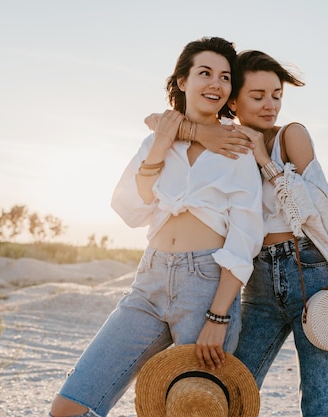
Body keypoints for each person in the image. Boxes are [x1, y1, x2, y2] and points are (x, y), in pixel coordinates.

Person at [151, 50, 328, 416]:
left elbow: (310, 206)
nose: (270, 105)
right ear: (233, 101)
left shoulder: (290, 136)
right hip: (259, 279)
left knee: (319, 396)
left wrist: (262, 156)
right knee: (235, 384)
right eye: (258, 96)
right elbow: (156, 120)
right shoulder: (226, 140)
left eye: (276, 95)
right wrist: (201, 131)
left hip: (311, 273)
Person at [48, 37, 263, 417]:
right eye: (205, 73)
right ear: (182, 81)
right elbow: (131, 207)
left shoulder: (237, 145)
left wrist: (219, 315)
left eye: (225, 77)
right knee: (69, 407)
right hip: (148, 281)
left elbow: (245, 237)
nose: (215, 83)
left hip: (207, 285)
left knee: (194, 408)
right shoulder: (156, 138)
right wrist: (165, 139)